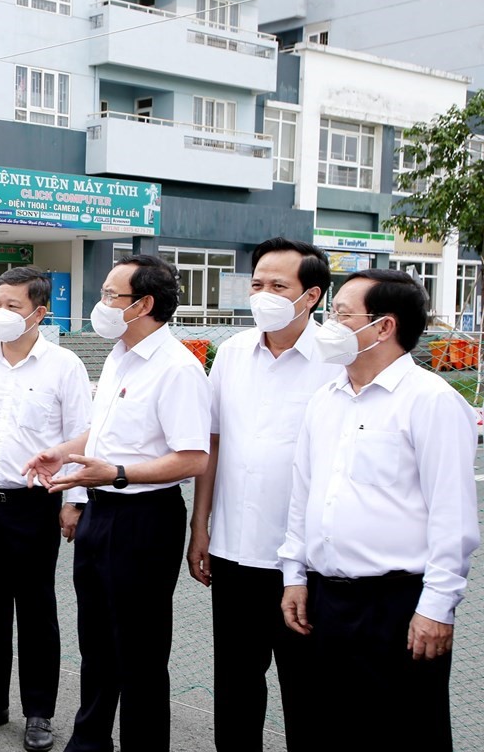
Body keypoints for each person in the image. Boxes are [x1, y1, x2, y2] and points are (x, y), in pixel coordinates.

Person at [278, 268, 479, 752]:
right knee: (328, 729)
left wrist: (436, 607)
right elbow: (303, 496)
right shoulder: (325, 400)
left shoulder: (431, 401)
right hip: (326, 600)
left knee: (404, 732)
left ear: (384, 326)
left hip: (397, 605)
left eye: (341, 315)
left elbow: (452, 516)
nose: (329, 325)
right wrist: (294, 575)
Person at [24, 254, 211, 752]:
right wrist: (63, 452)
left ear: (143, 304)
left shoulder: (177, 368)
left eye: (111, 295)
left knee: (140, 652)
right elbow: (106, 431)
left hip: (145, 519)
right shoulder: (119, 355)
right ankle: (89, 741)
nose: (101, 303)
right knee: (97, 643)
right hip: (101, 510)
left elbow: (193, 457)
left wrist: (119, 474)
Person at [186, 237, 338, 751]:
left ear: (311, 295)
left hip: (305, 560)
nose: (263, 295)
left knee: (308, 689)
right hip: (233, 551)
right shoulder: (232, 353)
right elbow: (213, 443)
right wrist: (200, 526)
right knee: (235, 685)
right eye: (257, 284)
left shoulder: (336, 359)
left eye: (278, 286)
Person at [0, 266, 92, 752]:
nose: (0, 313)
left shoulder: (64, 365)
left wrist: (73, 500)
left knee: (36, 611)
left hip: (35, 505)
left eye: (12, 306)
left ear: (39, 313)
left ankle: (38, 711)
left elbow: (81, 436)